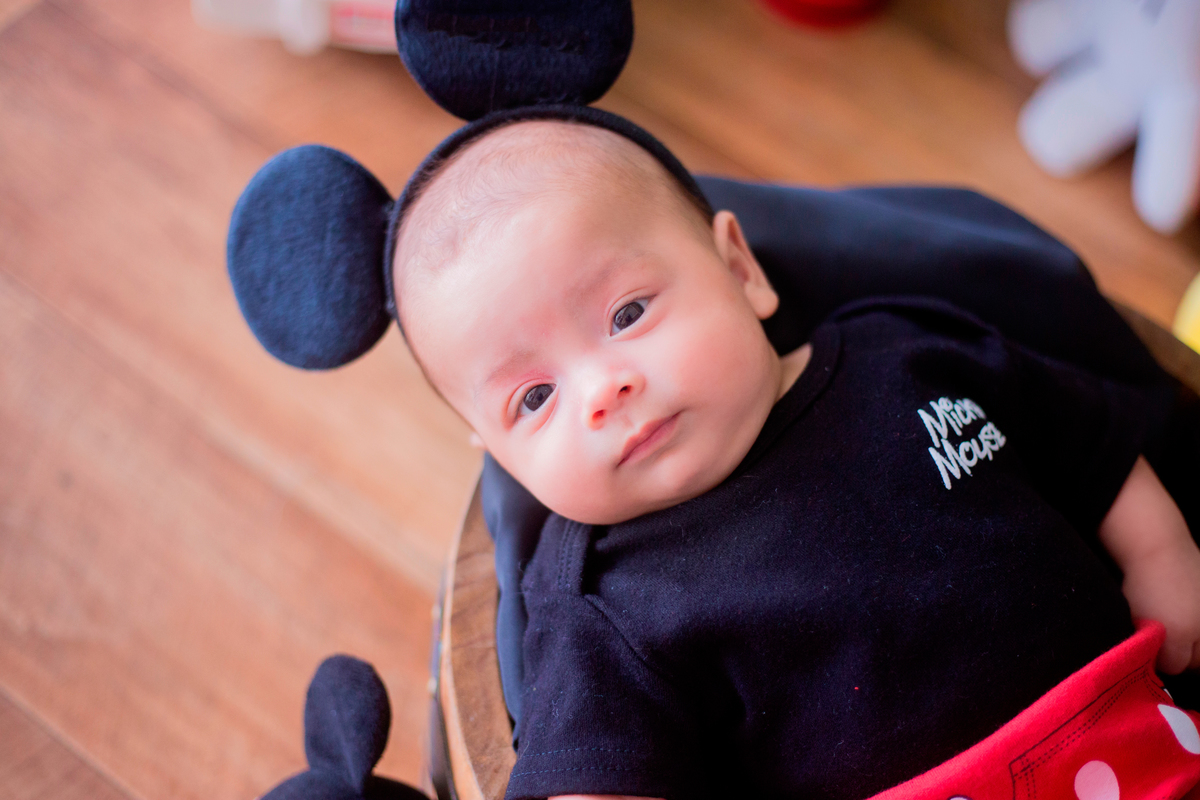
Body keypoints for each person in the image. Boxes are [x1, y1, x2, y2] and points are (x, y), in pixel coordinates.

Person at [380, 113, 1200, 799]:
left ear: (739, 270)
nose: (603, 389)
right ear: (497, 453)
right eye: (533, 398)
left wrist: (1162, 554)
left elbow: (1085, 439)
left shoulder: (907, 351)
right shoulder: (598, 603)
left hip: (1140, 736)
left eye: (627, 312)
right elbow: (591, 772)